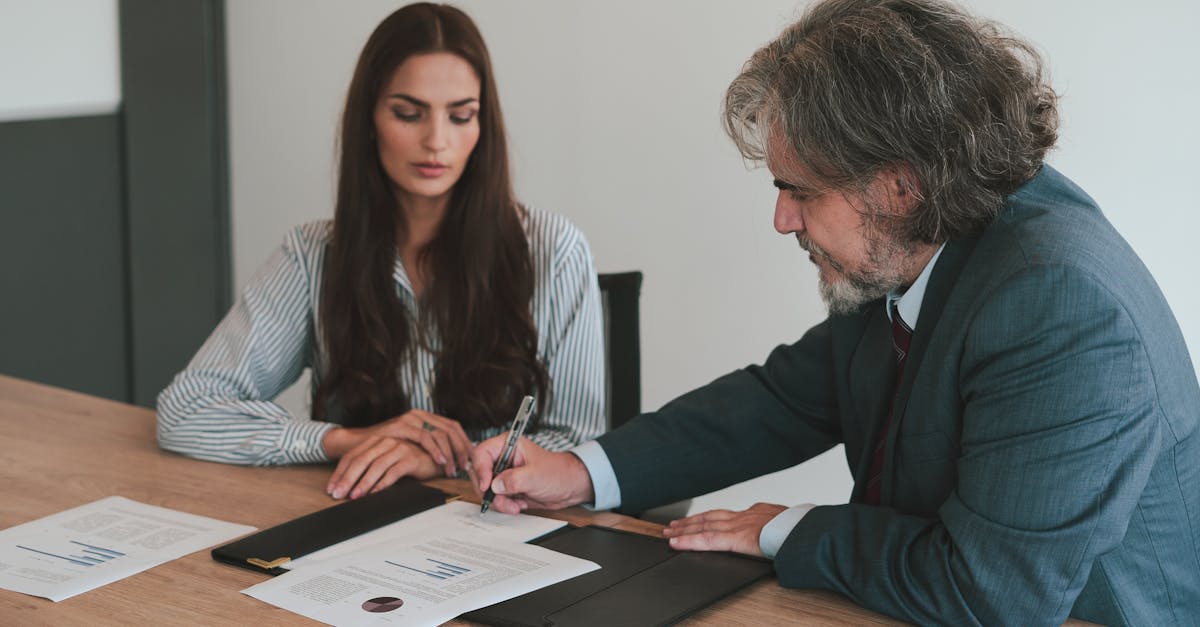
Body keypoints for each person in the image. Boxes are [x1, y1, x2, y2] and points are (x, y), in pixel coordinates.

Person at [469, 0, 1200, 624]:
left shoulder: (1062, 308)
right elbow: (785, 397)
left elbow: (991, 592)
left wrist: (784, 528)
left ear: (900, 186)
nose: (782, 219)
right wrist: (579, 469)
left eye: (800, 190)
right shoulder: (920, 235)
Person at [157, 3, 605, 502]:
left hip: (501, 531)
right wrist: (347, 439)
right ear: (369, 119)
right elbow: (186, 410)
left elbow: (576, 448)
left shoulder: (554, 251)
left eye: (461, 115)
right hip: (354, 522)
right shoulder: (312, 255)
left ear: (483, 129)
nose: (437, 140)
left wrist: (438, 461)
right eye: (408, 114)